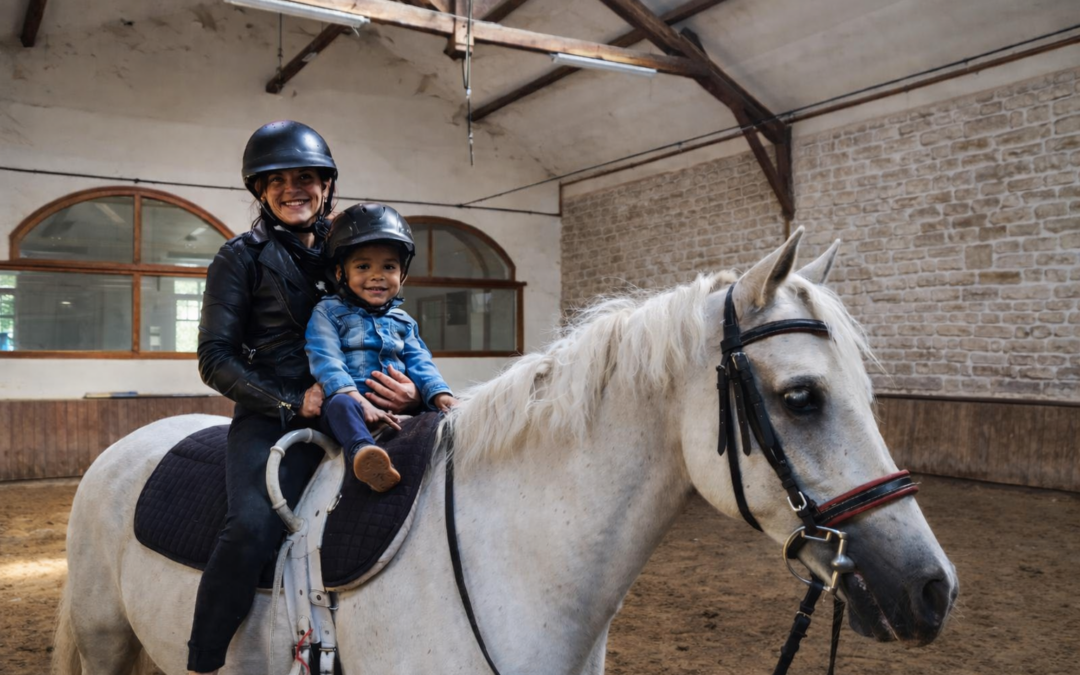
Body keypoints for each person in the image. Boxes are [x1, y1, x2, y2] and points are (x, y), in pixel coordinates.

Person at [188, 122, 419, 674]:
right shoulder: (239, 257)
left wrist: (410, 388)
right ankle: (203, 658)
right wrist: (295, 403)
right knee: (250, 526)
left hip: (367, 408)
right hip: (275, 415)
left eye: (307, 178)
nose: (295, 189)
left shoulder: (347, 247)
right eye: (279, 180)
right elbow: (214, 358)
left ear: (326, 186)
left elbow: (387, 323)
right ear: (261, 191)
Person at [306, 203, 458, 492]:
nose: (377, 275)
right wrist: (359, 400)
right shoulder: (327, 312)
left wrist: (442, 395)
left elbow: (420, 361)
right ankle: (363, 453)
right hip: (350, 404)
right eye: (363, 266)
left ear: (402, 276)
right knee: (338, 404)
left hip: (398, 411)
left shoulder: (404, 321)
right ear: (340, 273)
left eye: (388, 267)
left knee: (443, 420)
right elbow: (327, 360)